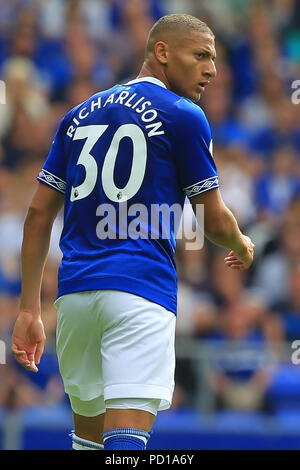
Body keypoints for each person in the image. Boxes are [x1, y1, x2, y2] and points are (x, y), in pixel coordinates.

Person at [11, 14, 255, 451]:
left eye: (214, 59)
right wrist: (242, 243)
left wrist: (30, 308)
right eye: (200, 55)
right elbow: (213, 222)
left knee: (89, 447)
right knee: (126, 447)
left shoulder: (76, 116)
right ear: (161, 52)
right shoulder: (184, 115)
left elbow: (37, 215)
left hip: (75, 299)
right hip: (139, 291)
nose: (212, 70)